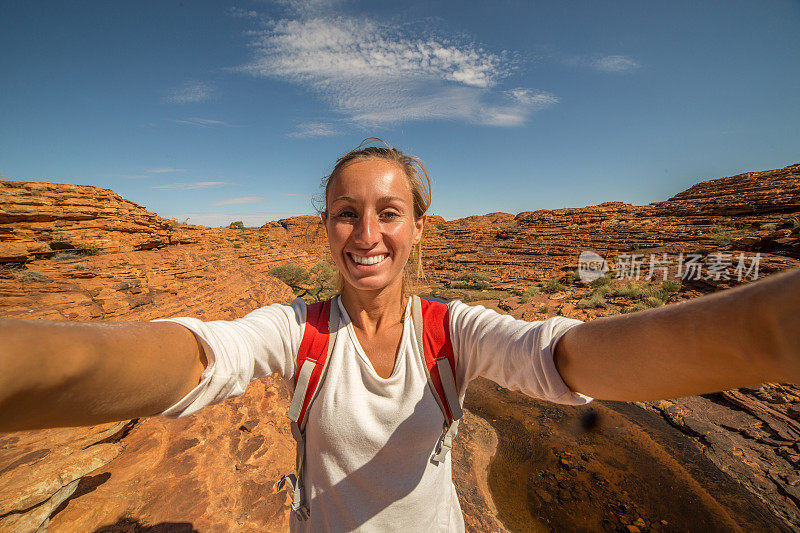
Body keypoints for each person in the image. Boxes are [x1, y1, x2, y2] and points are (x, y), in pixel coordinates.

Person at [0, 139, 799, 532]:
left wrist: (763, 329)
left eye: (389, 212)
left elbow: (558, 356)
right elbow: (204, 356)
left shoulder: (453, 330)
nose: (367, 232)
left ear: (419, 228)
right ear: (325, 229)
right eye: (347, 212)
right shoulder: (298, 331)